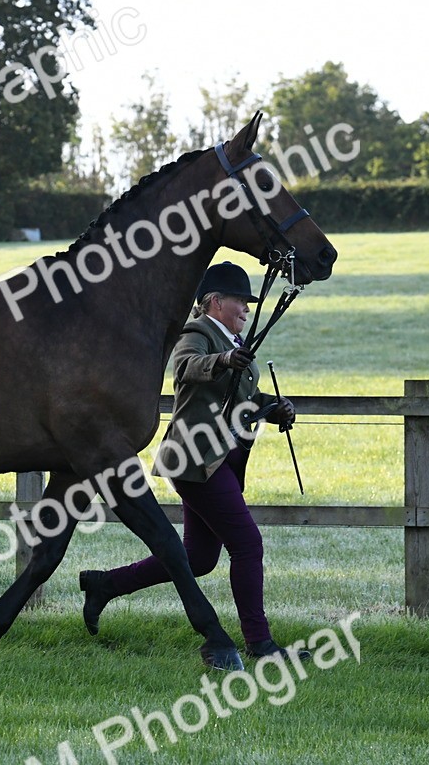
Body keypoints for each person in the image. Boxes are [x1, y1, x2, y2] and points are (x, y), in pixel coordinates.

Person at [79, 261, 309, 661]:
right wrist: (220, 363)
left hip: (219, 462)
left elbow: (238, 399)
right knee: (248, 544)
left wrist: (274, 408)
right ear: (215, 302)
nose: (246, 310)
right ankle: (260, 643)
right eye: (241, 302)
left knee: (199, 559)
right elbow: (184, 369)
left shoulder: (235, 344)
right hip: (196, 461)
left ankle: (105, 585)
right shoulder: (197, 332)